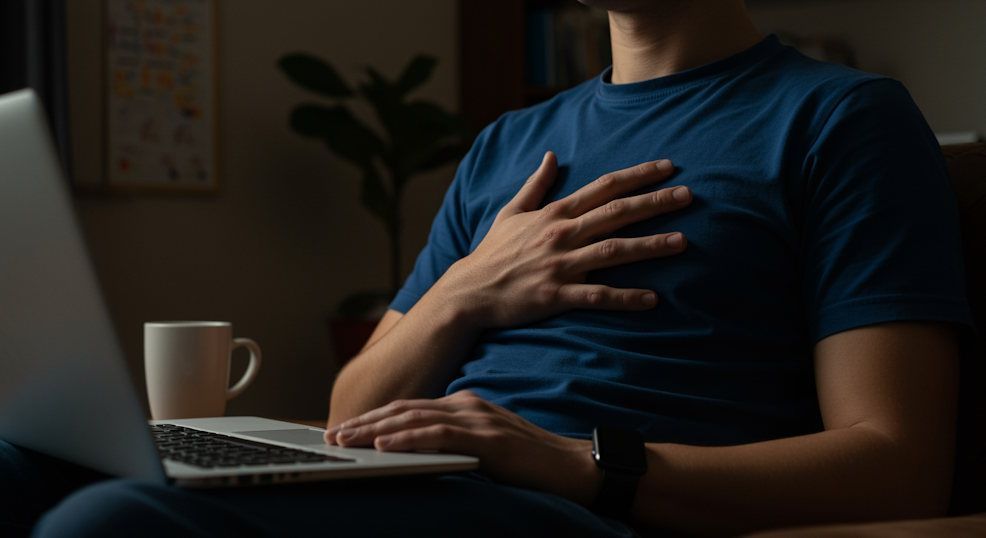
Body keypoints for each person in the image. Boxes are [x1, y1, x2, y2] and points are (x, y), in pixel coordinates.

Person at [1, 0, 971, 536]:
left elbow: (896, 464)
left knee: (112, 527)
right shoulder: (511, 142)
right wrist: (469, 289)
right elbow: (351, 404)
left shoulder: (841, 121)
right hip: (410, 476)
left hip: (570, 511)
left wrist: (572, 462)